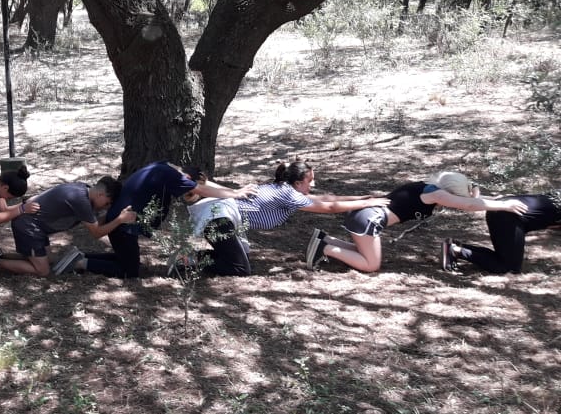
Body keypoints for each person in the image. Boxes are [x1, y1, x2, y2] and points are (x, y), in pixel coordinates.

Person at [178, 161, 389, 276]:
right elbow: (329, 207)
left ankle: (192, 258)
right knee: (240, 268)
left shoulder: (285, 190)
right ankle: (189, 259)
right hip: (219, 219)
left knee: (240, 260)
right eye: (310, 181)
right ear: (297, 183)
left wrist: (362, 198)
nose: (313, 185)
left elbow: (326, 199)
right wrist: (365, 204)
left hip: (222, 218)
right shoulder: (288, 195)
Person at [57, 161, 253, 278]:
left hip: (123, 220)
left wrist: (232, 191)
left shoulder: (162, 167)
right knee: (129, 271)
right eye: (187, 187)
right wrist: (236, 193)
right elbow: (202, 189)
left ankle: (82, 256)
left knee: (127, 261)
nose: (186, 193)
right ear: (185, 177)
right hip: (124, 224)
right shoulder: (172, 176)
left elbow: (203, 185)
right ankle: (81, 263)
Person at [307, 170, 529, 273]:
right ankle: (326, 249)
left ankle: (325, 239)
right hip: (369, 219)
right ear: (451, 192)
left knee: (363, 252)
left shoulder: (427, 187)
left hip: (364, 214)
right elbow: (470, 205)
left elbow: (472, 199)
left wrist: (494, 199)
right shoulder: (436, 195)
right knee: (371, 265)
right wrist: (504, 206)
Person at [0, 176, 137, 277]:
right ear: (101, 194)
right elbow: (96, 233)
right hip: (29, 227)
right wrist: (119, 220)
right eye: (107, 203)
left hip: (36, 227)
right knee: (42, 271)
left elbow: (96, 223)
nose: (105, 207)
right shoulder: (81, 201)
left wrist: (114, 217)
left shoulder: (83, 190)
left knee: (49, 260)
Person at [442, 191, 560, 274]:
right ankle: (455, 251)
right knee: (509, 267)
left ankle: (457, 247)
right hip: (508, 215)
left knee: (504, 258)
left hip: (502, 208)